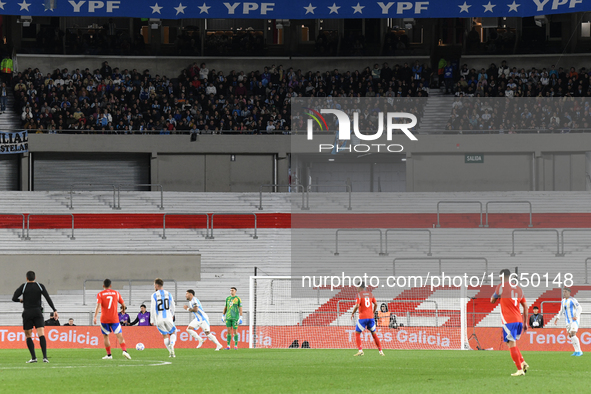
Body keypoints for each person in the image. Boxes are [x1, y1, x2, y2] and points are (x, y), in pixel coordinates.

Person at [12, 271, 58, 363]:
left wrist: (20, 300)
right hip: (38, 312)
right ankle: (45, 357)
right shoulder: (40, 286)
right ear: (35, 277)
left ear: (26, 278)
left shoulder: (23, 286)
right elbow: (47, 298)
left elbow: (14, 298)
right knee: (41, 334)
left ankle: (34, 358)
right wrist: (54, 310)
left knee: (28, 335)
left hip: (27, 312)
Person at [490, 269, 529, 376]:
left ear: (501, 277)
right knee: (510, 343)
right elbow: (525, 306)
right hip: (519, 321)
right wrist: (525, 323)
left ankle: (519, 369)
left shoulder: (500, 287)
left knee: (511, 344)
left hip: (509, 321)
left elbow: (492, 300)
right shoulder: (519, 289)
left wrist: (496, 297)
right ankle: (523, 362)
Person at [93, 279, 131, 360]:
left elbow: (98, 306)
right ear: (110, 286)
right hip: (114, 318)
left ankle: (109, 355)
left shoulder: (100, 294)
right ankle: (124, 351)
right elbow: (123, 304)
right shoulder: (116, 293)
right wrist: (123, 310)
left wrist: (95, 316)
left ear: (103, 286)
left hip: (104, 319)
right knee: (119, 336)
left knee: (106, 337)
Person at [350, 283, 384, 357]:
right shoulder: (370, 294)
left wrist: (352, 313)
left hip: (363, 317)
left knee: (357, 333)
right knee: (374, 334)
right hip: (371, 317)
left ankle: (360, 350)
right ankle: (381, 351)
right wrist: (373, 312)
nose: (356, 288)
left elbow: (357, 305)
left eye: (357, 286)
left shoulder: (359, 295)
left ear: (360, 287)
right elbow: (376, 304)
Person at [552, 287, 583, 356]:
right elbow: (561, 310)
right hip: (567, 321)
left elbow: (579, 308)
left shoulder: (573, 300)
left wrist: (577, 316)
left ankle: (580, 351)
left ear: (569, 293)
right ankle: (576, 351)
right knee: (570, 335)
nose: (564, 293)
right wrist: (557, 318)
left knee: (572, 333)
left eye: (566, 292)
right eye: (563, 292)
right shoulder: (563, 301)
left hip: (574, 320)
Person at [150, 278, 177, 357]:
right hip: (168, 317)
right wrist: (172, 314)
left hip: (159, 319)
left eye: (154, 285)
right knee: (173, 332)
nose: (154, 286)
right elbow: (173, 305)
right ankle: (172, 344)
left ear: (157, 285)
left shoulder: (154, 295)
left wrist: (152, 319)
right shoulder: (168, 294)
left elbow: (152, 308)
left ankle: (171, 353)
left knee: (165, 336)